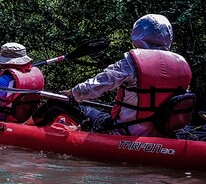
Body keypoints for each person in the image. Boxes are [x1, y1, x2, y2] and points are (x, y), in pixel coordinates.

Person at [61, 14, 192, 137]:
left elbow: (103, 81)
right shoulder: (181, 63)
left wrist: (74, 93)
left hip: (125, 131)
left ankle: (41, 134)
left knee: (59, 103)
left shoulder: (133, 61)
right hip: (162, 132)